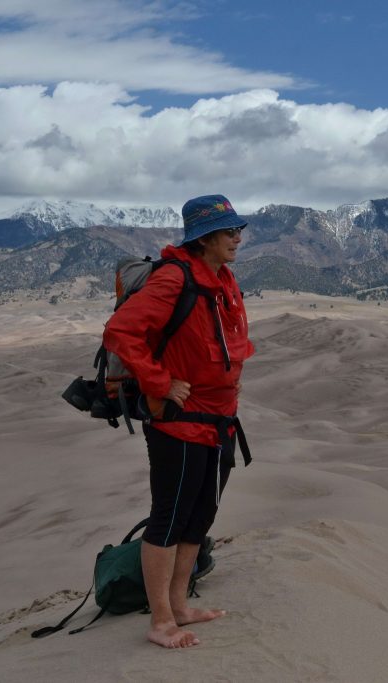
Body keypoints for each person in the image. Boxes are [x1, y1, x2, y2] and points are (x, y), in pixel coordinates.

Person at [103, 194, 254, 648]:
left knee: (199, 517)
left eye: (237, 230)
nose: (237, 238)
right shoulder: (175, 279)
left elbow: (225, 345)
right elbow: (121, 332)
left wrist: (232, 386)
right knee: (169, 519)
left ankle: (181, 605)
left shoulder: (222, 278)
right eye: (229, 231)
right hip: (179, 422)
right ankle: (161, 621)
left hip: (220, 420)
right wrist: (159, 382)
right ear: (205, 238)